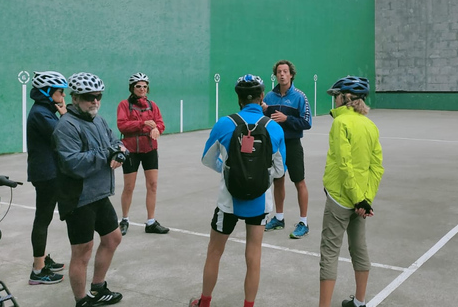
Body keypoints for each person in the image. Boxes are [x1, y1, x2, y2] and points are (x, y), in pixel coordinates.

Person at [190, 74, 286, 307]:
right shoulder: (273, 128)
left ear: (239, 98)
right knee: (253, 256)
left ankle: (204, 302)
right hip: (260, 202)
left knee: (215, 251)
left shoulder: (225, 123)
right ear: (262, 96)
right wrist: (260, 175)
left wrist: (228, 169)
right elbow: (280, 170)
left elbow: (207, 159)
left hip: (228, 201)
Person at [52, 72, 125, 307]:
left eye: (98, 96)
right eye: (88, 97)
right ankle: (81, 300)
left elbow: (116, 142)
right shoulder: (66, 126)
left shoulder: (99, 120)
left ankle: (98, 287)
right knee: (82, 251)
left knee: (113, 238)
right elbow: (73, 163)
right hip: (78, 197)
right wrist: (108, 154)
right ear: (75, 98)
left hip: (99, 194)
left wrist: (120, 151)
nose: (94, 101)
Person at [319, 76, 384, 307]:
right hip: (361, 202)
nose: (334, 100)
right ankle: (359, 302)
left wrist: (357, 198)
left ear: (346, 98)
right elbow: (377, 167)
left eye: (336, 95)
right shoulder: (370, 125)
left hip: (340, 199)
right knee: (359, 248)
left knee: (329, 253)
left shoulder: (340, 123)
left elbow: (343, 165)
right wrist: (365, 200)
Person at [262, 60, 312, 239]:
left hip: (292, 145)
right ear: (276, 75)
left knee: (299, 182)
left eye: (285, 71)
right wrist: (265, 111)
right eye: (279, 72)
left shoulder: (299, 97)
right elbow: (265, 120)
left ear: (291, 75)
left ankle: (303, 222)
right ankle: (279, 218)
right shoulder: (268, 98)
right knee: (278, 181)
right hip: (275, 146)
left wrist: (287, 119)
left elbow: (307, 123)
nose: (282, 74)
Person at [26, 71, 68, 285]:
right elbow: (63, 136)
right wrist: (66, 115)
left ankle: (41, 260)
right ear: (47, 92)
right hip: (46, 174)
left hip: (48, 172)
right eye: (60, 92)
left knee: (45, 218)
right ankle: (38, 270)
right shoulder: (41, 114)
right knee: (42, 219)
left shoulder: (45, 111)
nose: (63, 96)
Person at [117, 72, 169, 236]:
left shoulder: (153, 105)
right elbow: (122, 126)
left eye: (145, 86)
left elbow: (160, 123)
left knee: (152, 185)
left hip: (150, 150)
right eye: (138, 86)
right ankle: (124, 219)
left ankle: (151, 222)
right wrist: (142, 124)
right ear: (132, 88)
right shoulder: (124, 105)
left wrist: (157, 129)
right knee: (129, 187)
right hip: (131, 150)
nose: (142, 89)